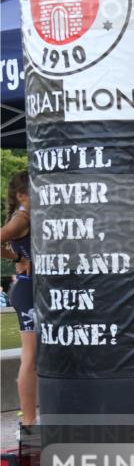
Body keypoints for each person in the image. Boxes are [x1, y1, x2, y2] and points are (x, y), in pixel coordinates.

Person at [1, 171, 37, 435]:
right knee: (30, 357)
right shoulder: (21, 218)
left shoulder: (30, 215)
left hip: (37, 289)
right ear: (22, 195)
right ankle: (28, 425)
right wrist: (18, 260)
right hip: (28, 291)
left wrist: (20, 257)